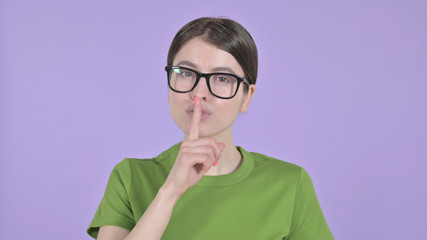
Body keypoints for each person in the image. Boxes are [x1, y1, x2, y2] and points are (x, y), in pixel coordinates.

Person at [87, 17, 334, 240]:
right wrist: (171, 191)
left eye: (223, 78)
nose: (199, 93)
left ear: (247, 97)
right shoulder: (130, 177)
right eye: (185, 73)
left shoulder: (290, 184)